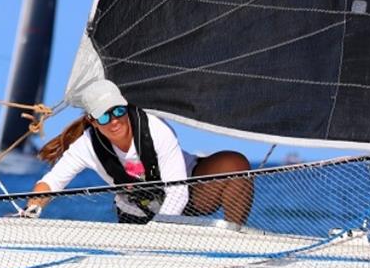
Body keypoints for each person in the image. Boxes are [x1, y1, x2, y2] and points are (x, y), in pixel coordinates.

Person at [25, 79, 253, 225]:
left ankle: (234, 243)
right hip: (137, 212)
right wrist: (31, 210)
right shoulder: (86, 146)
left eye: (118, 111)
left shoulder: (156, 129)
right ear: (92, 121)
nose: (114, 121)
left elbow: (178, 193)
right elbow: (52, 183)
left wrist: (160, 234)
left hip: (188, 195)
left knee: (235, 163)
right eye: (104, 117)